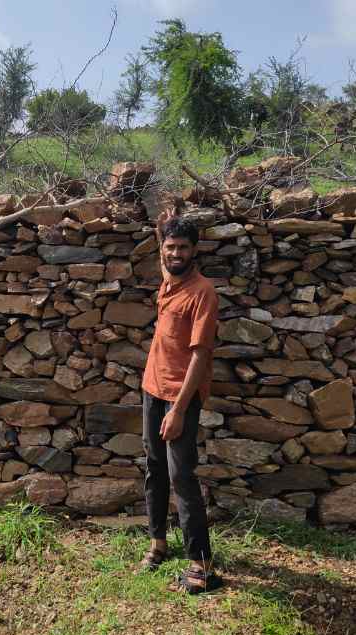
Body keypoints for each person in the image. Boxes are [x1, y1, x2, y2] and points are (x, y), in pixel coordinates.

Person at [134, 209, 222, 595]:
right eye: (170, 247)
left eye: (182, 248)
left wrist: (180, 411)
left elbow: (201, 358)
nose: (174, 254)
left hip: (178, 397)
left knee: (182, 477)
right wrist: (161, 228)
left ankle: (200, 563)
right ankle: (158, 543)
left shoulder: (202, 293)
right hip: (151, 389)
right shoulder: (168, 280)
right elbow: (162, 247)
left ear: (194, 250)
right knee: (154, 468)